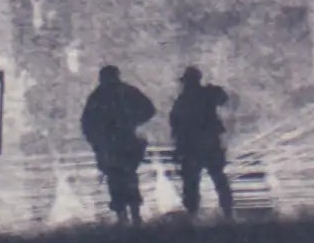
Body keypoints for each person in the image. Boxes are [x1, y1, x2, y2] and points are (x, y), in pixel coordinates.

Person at [79, 64, 156, 223]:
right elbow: (149, 110)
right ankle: (134, 216)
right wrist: (132, 121)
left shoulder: (98, 96)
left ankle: (125, 217)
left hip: (111, 145)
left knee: (116, 179)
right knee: (128, 177)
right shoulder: (127, 91)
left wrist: (96, 142)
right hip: (124, 142)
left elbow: (87, 123)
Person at [169, 65, 234, 219]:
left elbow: (175, 125)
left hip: (192, 147)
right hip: (208, 144)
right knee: (217, 179)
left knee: (193, 182)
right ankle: (227, 213)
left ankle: (195, 215)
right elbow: (223, 99)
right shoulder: (205, 94)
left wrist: (178, 148)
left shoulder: (184, 100)